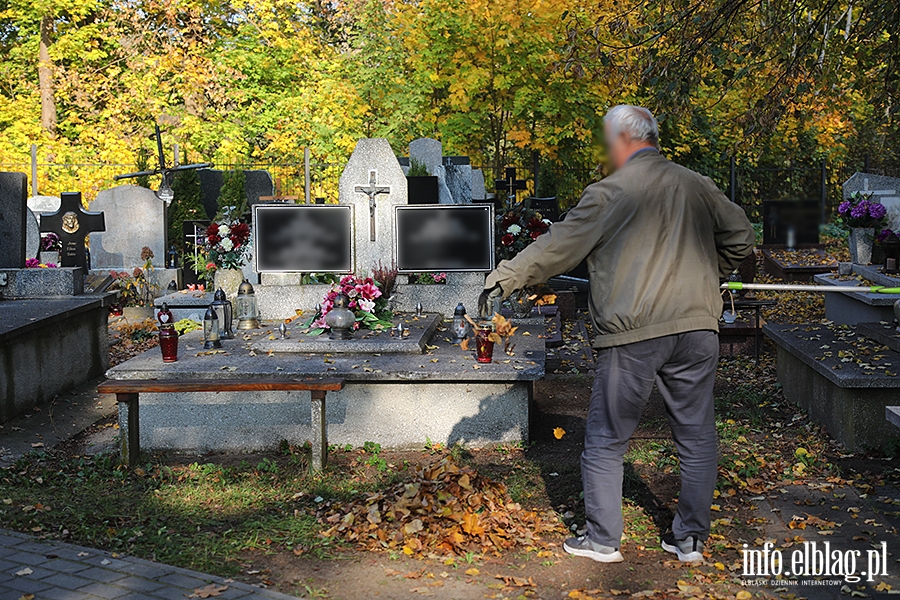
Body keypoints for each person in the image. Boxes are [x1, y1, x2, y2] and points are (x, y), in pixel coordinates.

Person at [479, 105, 755, 564]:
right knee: (697, 436)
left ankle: (603, 540)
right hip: (696, 329)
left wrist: (502, 278)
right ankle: (689, 541)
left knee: (607, 437)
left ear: (624, 141)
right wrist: (708, 278)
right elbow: (741, 238)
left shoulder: (608, 193)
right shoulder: (697, 185)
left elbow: (557, 247)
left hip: (632, 334)